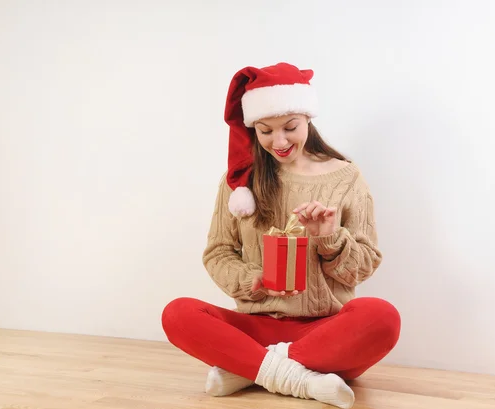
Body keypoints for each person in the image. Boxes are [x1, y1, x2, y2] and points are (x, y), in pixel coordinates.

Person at [161, 62, 401, 409]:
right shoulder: (240, 181)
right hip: (256, 325)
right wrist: (253, 279)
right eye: (265, 131)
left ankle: (249, 369)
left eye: (290, 127)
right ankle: (299, 378)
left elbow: (362, 268)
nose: (280, 141)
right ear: (253, 129)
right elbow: (218, 252)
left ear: (307, 119)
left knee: (382, 317)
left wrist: (330, 239)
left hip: (326, 332)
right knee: (178, 313)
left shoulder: (346, 178)